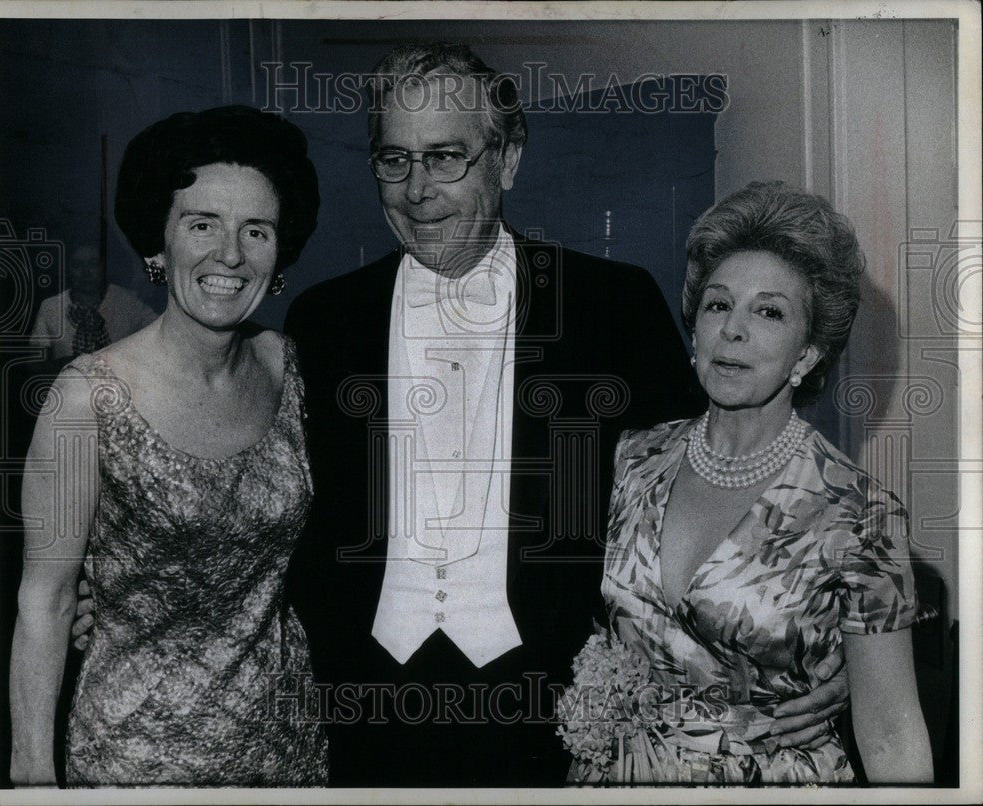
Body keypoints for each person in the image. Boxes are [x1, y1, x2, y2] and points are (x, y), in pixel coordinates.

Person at [282, 44, 847, 787]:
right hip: (365, 716)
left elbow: (716, 481)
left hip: (561, 723)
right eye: (394, 160)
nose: (417, 190)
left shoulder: (610, 306)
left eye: (447, 156)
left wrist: (820, 639)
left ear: (508, 158)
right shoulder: (323, 322)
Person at [10, 105, 326, 787]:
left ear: (280, 254)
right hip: (134, 765)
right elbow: (46, 602)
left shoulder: (292, 367)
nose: (229, 254)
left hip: (289, 754)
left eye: (256, 230)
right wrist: (31, 780)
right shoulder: (84, 397)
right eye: (202, 224)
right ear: (160, 242)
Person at [588, 180, 933, 783]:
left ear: (807, 355)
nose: (733, 330)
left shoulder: (860, 513)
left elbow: (893, 730)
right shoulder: (634, 458)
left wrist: (851, 664)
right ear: (694, 329)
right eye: (719, 304)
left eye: (769, 311)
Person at [29, 242, 157, 360]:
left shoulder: (128, 302)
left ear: (104, 267)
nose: (86, 272)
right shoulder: (51, 307)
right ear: (68, 270)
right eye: (77, 265)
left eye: (93, 263)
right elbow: (35, 364)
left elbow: (160, 332)